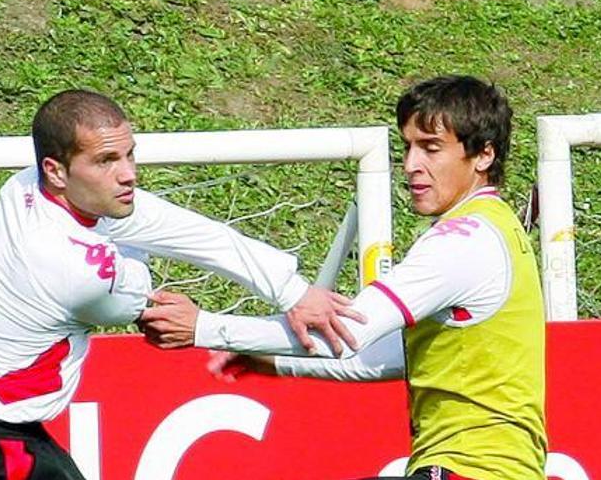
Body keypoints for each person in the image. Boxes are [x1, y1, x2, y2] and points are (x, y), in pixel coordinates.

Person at [0, 89, 357, 480]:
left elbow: (186, 231)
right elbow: (161, 310)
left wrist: (294, 292)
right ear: (57, 171)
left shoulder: (23, 188)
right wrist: (304, 327)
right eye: (106, 161)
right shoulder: (82, 273)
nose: (128, 174)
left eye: (129, 154)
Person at [140, 75, 547, 480]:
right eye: (407, 147)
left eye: (431, 148)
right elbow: (376, 356)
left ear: (483, 155)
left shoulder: (462, 240)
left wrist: (202, 327)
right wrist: (277, 361)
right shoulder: (497, 228)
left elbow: (342, 333)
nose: (410, 166)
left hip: (470, 469)